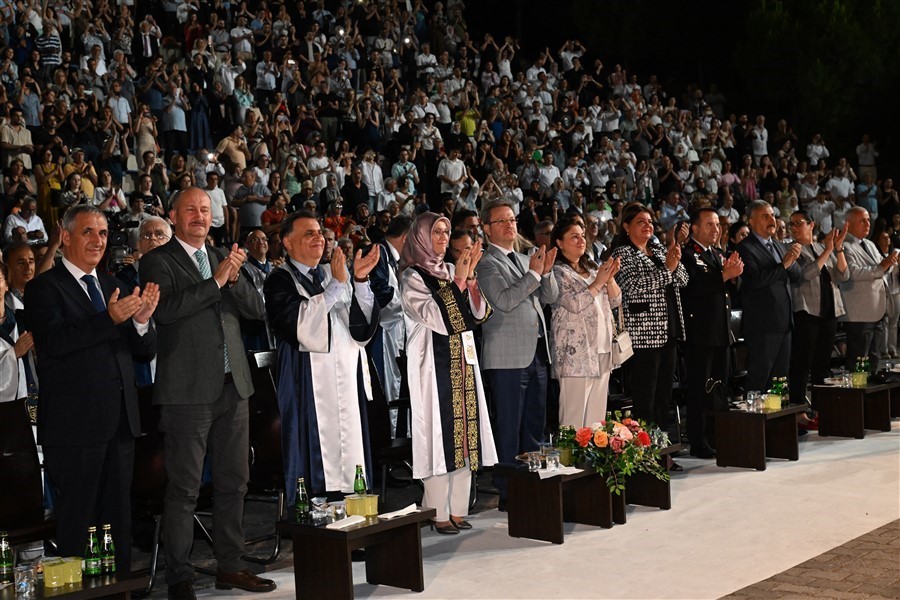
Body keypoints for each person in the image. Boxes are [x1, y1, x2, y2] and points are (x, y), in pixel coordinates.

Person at [139, 188, 273, 600]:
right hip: (187, 392)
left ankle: (230, 566)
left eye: (205, 209)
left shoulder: (221, 255)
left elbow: (255, 309)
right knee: (185, 488)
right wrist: (216, 281)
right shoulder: (156, 260)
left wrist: (232, 279)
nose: (199, 215)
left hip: (234, 387)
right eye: (190, 210)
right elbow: (166, 311)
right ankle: (179, 576)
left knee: (235, 482)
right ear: (174, 216)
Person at [26, 205, 158, 573]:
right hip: (74, 429)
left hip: (120, 424)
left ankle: (120, 592)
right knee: (77, 523)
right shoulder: (43, 288)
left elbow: (141, 351)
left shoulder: (114, 285)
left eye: (102, 233)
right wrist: (109, 319)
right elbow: (55, 343)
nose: (98, 240)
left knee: (119, 521)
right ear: (65, 237)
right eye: (88, 232)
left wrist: (143, 323)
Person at [263, 211, 381, 500]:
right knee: (312, 451)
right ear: (287, 243)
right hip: (305, 379)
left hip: (345, 378)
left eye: (319, 232)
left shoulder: (332, 273)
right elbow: (296, 324)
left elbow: (360, 327)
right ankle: (316, 524)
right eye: (308, 233)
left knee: (351, 452)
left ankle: (353, 520)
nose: (318, 238)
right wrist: (337, 286)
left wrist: (361, 281)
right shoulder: (279, 280)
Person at [400, 212, 497, 534]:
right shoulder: (413, 276)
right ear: (421, 237)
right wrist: (458, 282)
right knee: (438, 436)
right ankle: (436, 510)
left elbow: (478, 315)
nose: (443, 238)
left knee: (466, 435)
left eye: (445, 232)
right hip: (432, 367)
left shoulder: (454, 270)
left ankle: (457, 508)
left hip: (462, 363)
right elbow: (436, 318)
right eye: (436, 232)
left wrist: (469, 282)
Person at [478, 201, 558, 510]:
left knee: (534, 423)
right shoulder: (487, 263)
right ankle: (508, 488)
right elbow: (505, 300)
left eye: (512, 219)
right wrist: (535, 275)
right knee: (510, 425)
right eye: (501, 221)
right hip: (507, 356)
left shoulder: (526, 259)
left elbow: (549, 297)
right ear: (487, 228)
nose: (510, 225)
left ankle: (532, 479)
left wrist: (545, 273)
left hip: (536, 351)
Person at [611, 203, 688, 458]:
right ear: (626, 227)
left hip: (669, 331)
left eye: (649, 221)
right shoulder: (622, 254)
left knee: (664, 397)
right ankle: (644, 455)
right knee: (646, 398)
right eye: (640, 222)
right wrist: (667, 268)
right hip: (643, 336)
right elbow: (631, 287)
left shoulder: (657, 249)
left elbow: (683, 279)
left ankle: (662, 450)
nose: (648, 225)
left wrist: (672, 263)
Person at [680, 208, 743, 458]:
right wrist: (724, 274)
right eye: (709, 224)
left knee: (719, 386)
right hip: (700, 333)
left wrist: (732, 274)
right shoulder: (688, 255)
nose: (715, 229)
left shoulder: (716, 253)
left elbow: (726, 291)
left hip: (720, 330)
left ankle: (718, 435)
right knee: (699, 389)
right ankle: (698, 440)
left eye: (717, 225)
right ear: (694, 228)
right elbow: (692, 287)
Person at [549, 216, 621, 427]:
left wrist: (609, 278)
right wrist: (599, 282)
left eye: (582, 236)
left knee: (596, 418)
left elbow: (616, 300)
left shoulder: (591, 268)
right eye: (574, 237)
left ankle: (592, 458)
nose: (581, 240)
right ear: (560, 243)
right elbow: (574, 303)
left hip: (602, 348)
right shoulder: (557, 272)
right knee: (573, 416)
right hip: (575, 354)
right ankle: (568, 460)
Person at [736, 200, 803, 393]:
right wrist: (783, 265)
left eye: (773, 215)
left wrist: (792, 261)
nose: (772, 220)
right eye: (765, 216)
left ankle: (777, 422)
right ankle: (753, 422)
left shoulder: (780, 246)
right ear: (751, 221)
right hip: (762, 325)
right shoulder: (745, 248)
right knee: (759, 376)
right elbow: (755, 280)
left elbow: (797, 275)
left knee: (780, 379)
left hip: (784, 322)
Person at [788, 211, 848, 406]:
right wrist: (828, 251)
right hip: (807, 311)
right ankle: (799, 408)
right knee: (803, 362)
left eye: (799, 223)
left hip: (830, 310)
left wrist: (837, 250)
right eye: (792, 224)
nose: (795, 227)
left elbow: (843, 276)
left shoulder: (823, 247)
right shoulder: (792, 249)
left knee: (823, 362)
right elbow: (806, 274)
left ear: (811, 225)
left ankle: (822, 407)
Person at [839, 207, 897, 373]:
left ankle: (872, 397)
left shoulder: (870, 244)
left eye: (868, 220)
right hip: (859, 314)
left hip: (877, 309)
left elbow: (881, 268)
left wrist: (890, 263)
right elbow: (852, 272)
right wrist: (882, 266)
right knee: (858, 360)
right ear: (848, 224)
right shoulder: (844, 246)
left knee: (873, 359)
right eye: (862, 221)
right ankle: (855, 397)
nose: (867, 224)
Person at [369, 215, 411, 416]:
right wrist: (410, 297)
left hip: (395, 331)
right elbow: (379, 294)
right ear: (406, 238)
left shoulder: (392, 257)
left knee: (397, 383)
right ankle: (391, 437)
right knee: (388, 386)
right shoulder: (378, 253)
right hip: (381, 333)